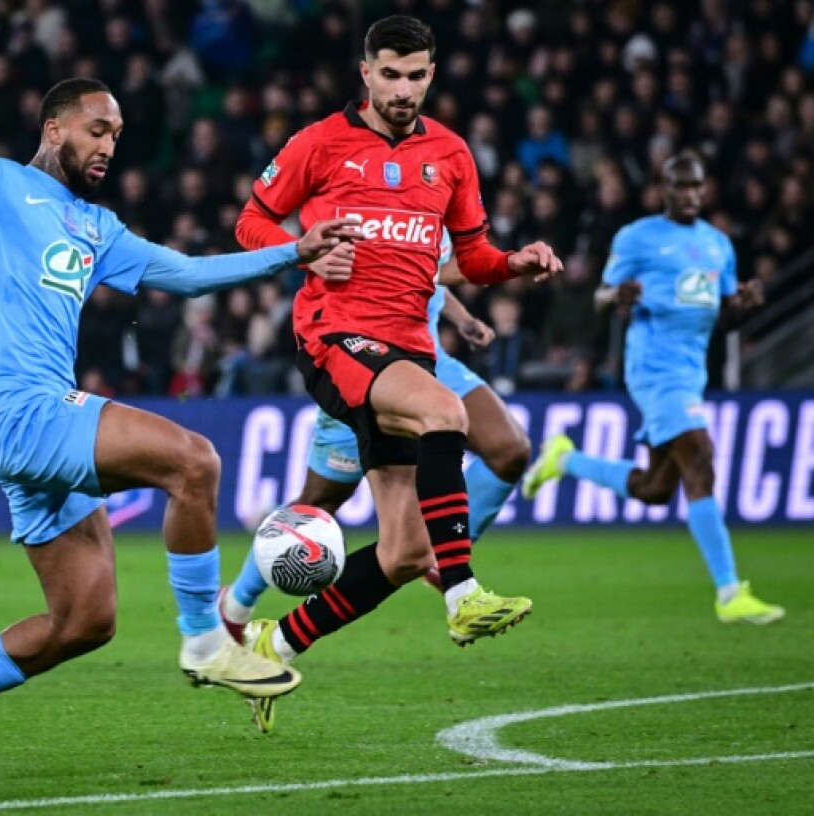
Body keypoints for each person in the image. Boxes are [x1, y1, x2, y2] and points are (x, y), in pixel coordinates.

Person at [0, 77, 361, 788]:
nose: (108, 145)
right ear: (54, 129)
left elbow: (187, 275)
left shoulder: (96, 226)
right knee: (194, 463)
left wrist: (292, 254)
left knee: (85, 620)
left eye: (115, 134)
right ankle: (207, 641)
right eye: (95, 129)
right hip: (19, 413)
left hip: (38, 424)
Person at [232, 16, 561, 673]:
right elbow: (250, 221)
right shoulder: (320, 143)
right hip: (336, 338)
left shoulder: (452, 155)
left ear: (431, 74)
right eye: (390, 74)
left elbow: (472, 256)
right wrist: (300, 251)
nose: (403, 89)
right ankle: (463, 594)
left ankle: (276, 644)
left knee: (405, 552)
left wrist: (514, 264)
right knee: (446, 413)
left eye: (415, 76)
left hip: (408, 348)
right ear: (366, 73)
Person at [223, 231, 532, 732]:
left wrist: (464, 313)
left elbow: (438, 266)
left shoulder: (437, 176)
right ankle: (236, 607)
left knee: (423, 535)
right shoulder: (356, 177)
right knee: (316, 507)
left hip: (428, 359)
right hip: (361, 358)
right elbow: (271, 231)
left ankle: (277, 642)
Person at [522, 152, 784, 625]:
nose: (690, 195)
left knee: (656, 489)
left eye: (697, 187)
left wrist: (745, 306)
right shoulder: (637, 237)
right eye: (680, 187)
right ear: (664, 189)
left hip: (691, 371)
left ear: (704, 190)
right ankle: (729, 591)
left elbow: (722, 317)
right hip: (652, 369)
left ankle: (565, 458)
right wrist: (615, 297)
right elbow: (601, 296)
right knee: (700, 458)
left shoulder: (718, 244)